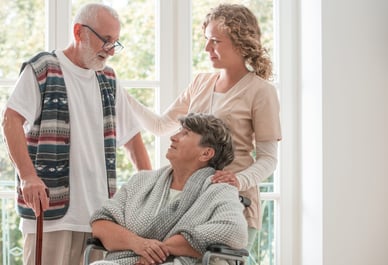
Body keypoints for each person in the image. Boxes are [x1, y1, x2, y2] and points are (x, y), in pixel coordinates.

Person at [1, 3, 151, 265]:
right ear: (79, 32)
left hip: (101, 218)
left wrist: (149, 192)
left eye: (115, 42)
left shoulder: (109, 79)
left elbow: (134, 140)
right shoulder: (43, 68)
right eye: (106, 40)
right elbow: (10, 120)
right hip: (50, 214)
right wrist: (27, 176)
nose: (111, 50)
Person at [125, 3, 282, 252]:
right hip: (192, 204)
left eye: (215, 41)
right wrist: (120, 94)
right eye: (207, 40)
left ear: (240, 43)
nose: (207, 48)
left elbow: (269, 159)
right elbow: (160, 125)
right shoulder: (200, 82)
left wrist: (237, 181)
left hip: (234, 205)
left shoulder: (261, 92)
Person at [89, 113, 248, 265]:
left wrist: (159, 250)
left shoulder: (219, 191)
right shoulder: (141, 181)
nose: (173, 137)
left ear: (206, 153)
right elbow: (101, 223)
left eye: (185, 133)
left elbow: (233, 231)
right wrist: (139, 244)